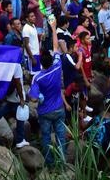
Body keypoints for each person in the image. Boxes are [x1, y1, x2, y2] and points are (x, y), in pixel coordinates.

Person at [29, 17, 68, 166]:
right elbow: (56, 46)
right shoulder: (57, 65)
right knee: (60, 136)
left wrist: (38, 96)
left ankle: (50, 164)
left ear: (41, 63)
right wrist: (53, 28)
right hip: (59, 109)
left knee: (45, 137)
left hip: (45, 112)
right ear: (51, 60)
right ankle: (63, 163)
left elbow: (33, 99)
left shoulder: (38, 78)